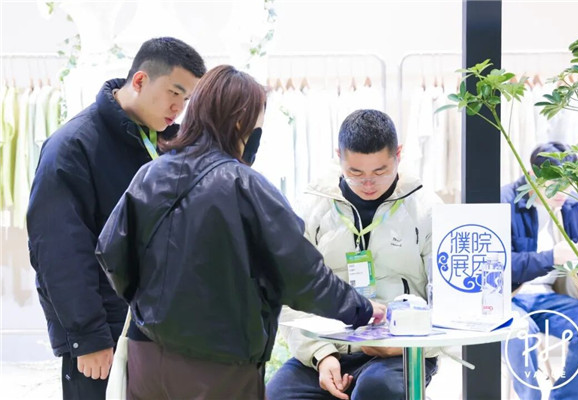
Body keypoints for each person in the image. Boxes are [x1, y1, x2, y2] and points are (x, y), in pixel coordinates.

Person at [95, 65, 386, 400]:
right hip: (220, 362)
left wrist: (150, 306)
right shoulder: (247, 187)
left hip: (147, 355)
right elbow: (303, 276)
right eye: (257, 124)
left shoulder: (150, 174)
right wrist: (361, 309)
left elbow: (111, 252)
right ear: (239, 123)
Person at [26, 37, 206, 400]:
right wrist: (88, 336)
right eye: (174, 92)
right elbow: (59, 252)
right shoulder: (72, 146)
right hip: (105, 334)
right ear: (139, 80)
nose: (179, 107)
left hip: (163, 332)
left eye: (187, 99)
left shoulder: (168, 144)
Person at [267, 109, 440, 400]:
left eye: (380, 172)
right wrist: (322, 355)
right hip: (329, 347)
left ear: (398, 154)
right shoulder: (311, 207)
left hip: (402, 351)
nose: (368, 184)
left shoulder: (426, 209)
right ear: (339, 157)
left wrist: (405, 344)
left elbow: (448, 304)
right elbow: (288, 292)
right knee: (277, 395)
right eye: (356, 173)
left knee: (377, 388)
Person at [501, 141, 578, 400]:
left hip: (549, 297)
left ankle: (566, 397)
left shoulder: (572, 205)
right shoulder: (505, 201)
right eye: (555, 183)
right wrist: (553, 256)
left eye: (568, 183)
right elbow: (500, 264)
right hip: (509, 298)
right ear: (532, 176)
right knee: (521, 333)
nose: (563, 192)